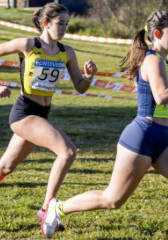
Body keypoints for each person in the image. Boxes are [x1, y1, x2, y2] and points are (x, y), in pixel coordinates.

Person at [41, 9, 168, 239]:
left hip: (165, 137)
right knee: (112, 200)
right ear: (158, 33)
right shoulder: (152, 59)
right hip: (141, 137)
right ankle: (57, 208)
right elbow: (161, 96)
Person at [0, 2, 97, 231]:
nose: (64, 28)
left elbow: (81, 87)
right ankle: (47, 209)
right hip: (24, 112)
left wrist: (89, 76)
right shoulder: (28, 44)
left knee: (5, 167)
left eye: (67, 24)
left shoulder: (67, 52)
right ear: (46, 23)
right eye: (59, 23)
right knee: (67, 151)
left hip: (42, 113)